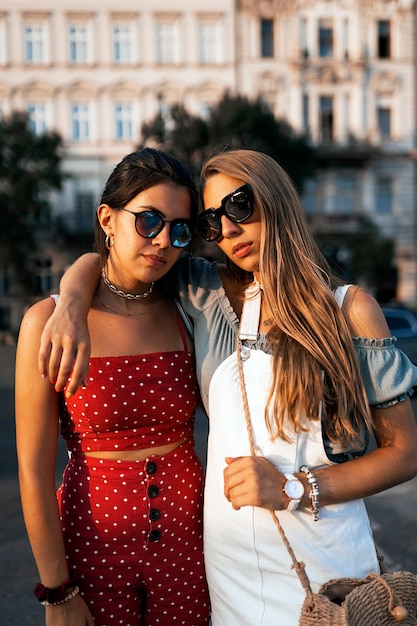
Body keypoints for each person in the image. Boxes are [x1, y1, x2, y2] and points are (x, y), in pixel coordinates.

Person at [38, 149, 417, 625]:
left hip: (327, 571)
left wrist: (295, 488)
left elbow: (404, 451)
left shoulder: (348, 309)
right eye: (212, 223)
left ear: (276, 198)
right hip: (226, 581)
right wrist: (71, 300)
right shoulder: (208, 295)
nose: (228, 230)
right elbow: (119, 256)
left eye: (239, 206)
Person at [15, 148, 210, 626]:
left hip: (192, 550)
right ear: (107, 218)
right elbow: (33, 473)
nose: (163, 241)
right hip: (92, 551)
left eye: (179, 230)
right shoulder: (48, 321)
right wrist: (56, 592)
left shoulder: (190, 306)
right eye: (148, 221)